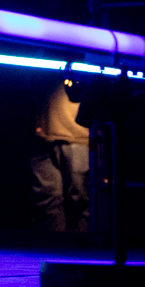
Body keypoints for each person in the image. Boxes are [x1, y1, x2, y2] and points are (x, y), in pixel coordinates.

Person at [30, 76, 91, 233]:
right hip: (43, 134)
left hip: (77, 135)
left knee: (81, 200)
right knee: (48, 203)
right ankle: (57, 248)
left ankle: (79, 251)